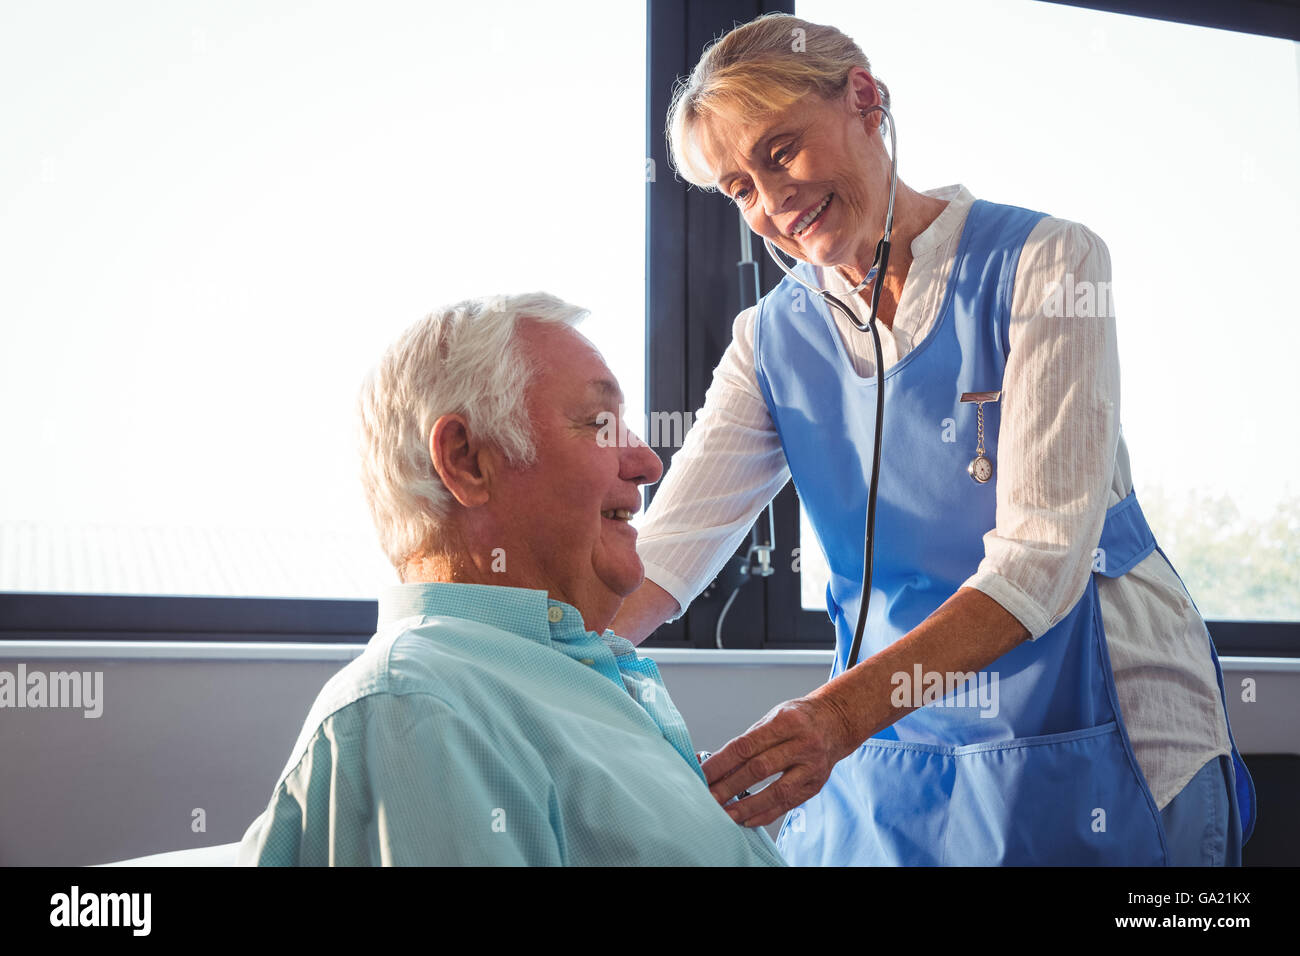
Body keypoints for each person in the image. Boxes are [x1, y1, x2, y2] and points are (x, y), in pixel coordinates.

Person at [610, 13, 1254, 865]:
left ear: (865, 100)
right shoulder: (770, 341)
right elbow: (663, 560)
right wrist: (507, 662)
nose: (771, 204)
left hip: (1105, 726)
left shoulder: (1047, 264)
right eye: (738, 187)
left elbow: (1039, 562)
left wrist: (835, 716)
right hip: (893, 739)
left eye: (781, 152)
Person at [237, 292, 784, 866]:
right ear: (467, 460)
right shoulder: (419, 708)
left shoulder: (568, 680)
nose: (648, 464)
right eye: (601, 424)